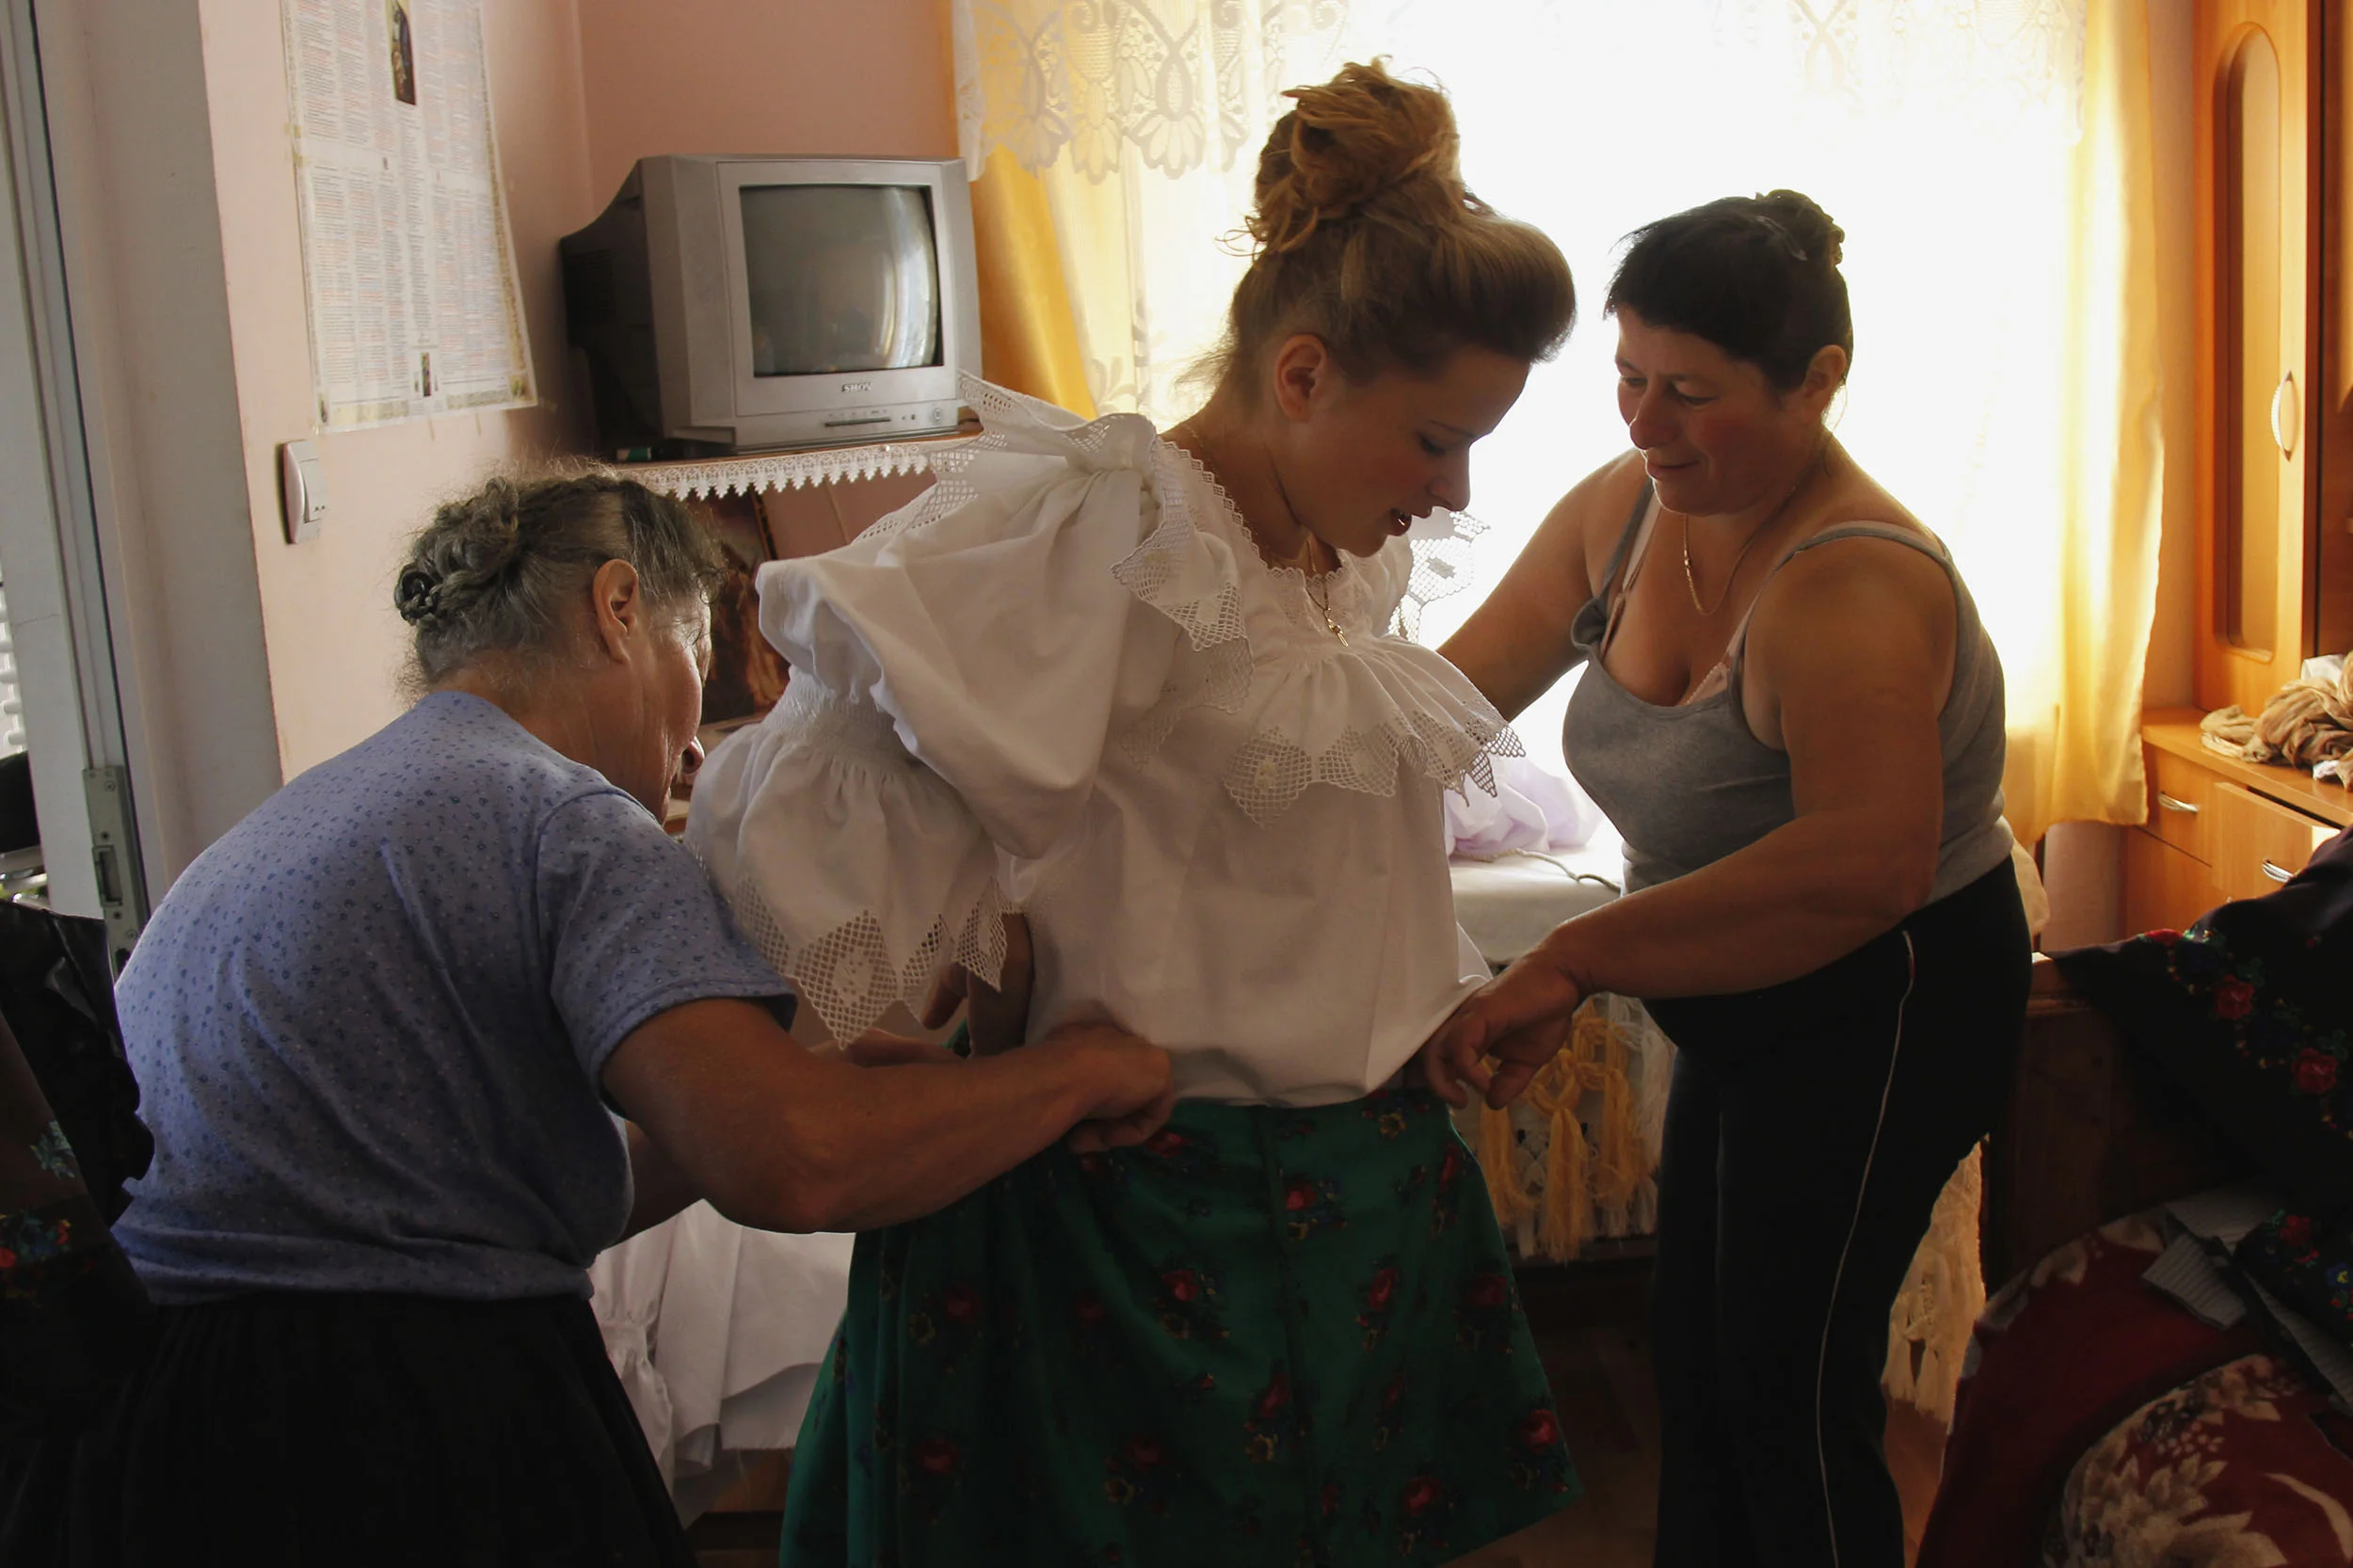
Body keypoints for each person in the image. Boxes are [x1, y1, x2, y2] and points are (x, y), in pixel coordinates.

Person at [688, 61, 1581, 1568]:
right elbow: (831, 792)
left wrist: (1413, 1003)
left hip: (1354, 1206)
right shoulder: (1110, 533)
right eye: (1435, 438)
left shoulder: (1332, 560)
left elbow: (1271, 866)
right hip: (1128, 1230)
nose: (1453, 488)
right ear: (1301, 375)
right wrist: (945, 985)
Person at [0, 472, 1173, 1568]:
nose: (692, 749)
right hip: (394, 1432)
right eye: (695, 662)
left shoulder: (281, 830)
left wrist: (771, 1097)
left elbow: (483, 1182)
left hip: (155, 1442)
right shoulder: (561, 819)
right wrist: (1077, 1070)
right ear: (618, 609)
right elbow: (796, 1164)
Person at [1424, 192, 2032, 1568]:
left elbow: (1866, 864)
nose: (1645, 422)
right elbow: (1443, 703)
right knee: (1697, 1354)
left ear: (1817, 382)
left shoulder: (1852, 585)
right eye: (1629, 376)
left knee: (1787, 1387)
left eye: (1690, 393)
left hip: (1889, 995)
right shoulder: (1625, 510)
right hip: (1744, 986)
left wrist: (1573, 955)